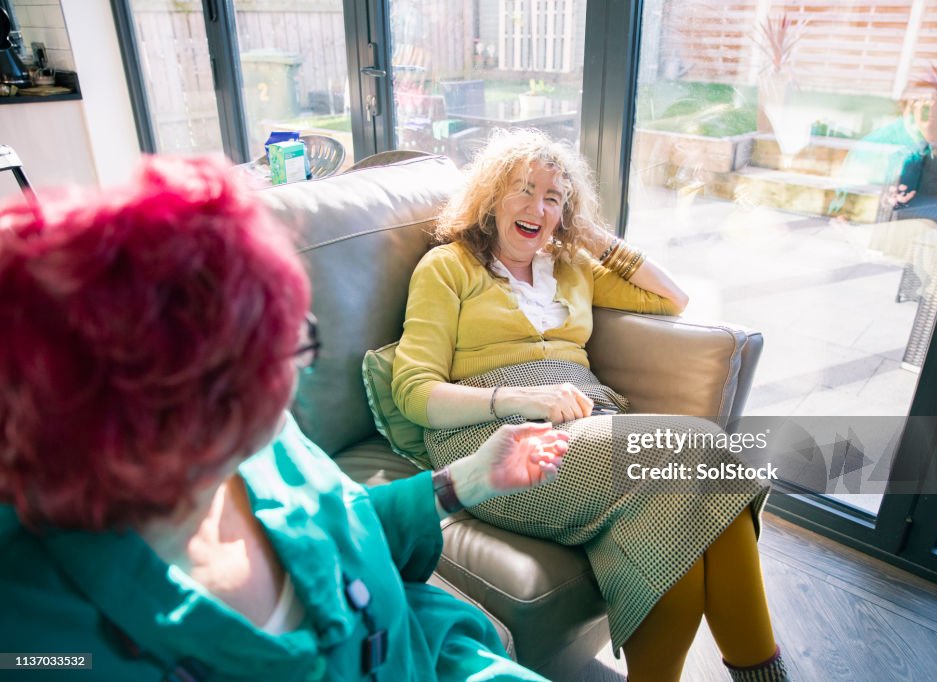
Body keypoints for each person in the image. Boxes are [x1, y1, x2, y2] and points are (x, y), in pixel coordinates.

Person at [0, 156, 569, 681]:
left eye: (294, 341)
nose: (289, 386)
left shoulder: (267, 440)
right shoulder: (39, 637)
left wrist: (466, 479)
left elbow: (340, 531)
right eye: (266, 360)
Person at [392, 129, 790, 681]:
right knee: (703, 450)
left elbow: (670, 297)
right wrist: (523, 396)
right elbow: (412, 391)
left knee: (680, 517)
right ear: (490, 198)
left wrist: (592, 238)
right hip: (493, 439)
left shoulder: (571, 268)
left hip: (586, 422)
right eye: (523, 191)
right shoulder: (448, 267)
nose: (537, 208)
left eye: (553, 198)